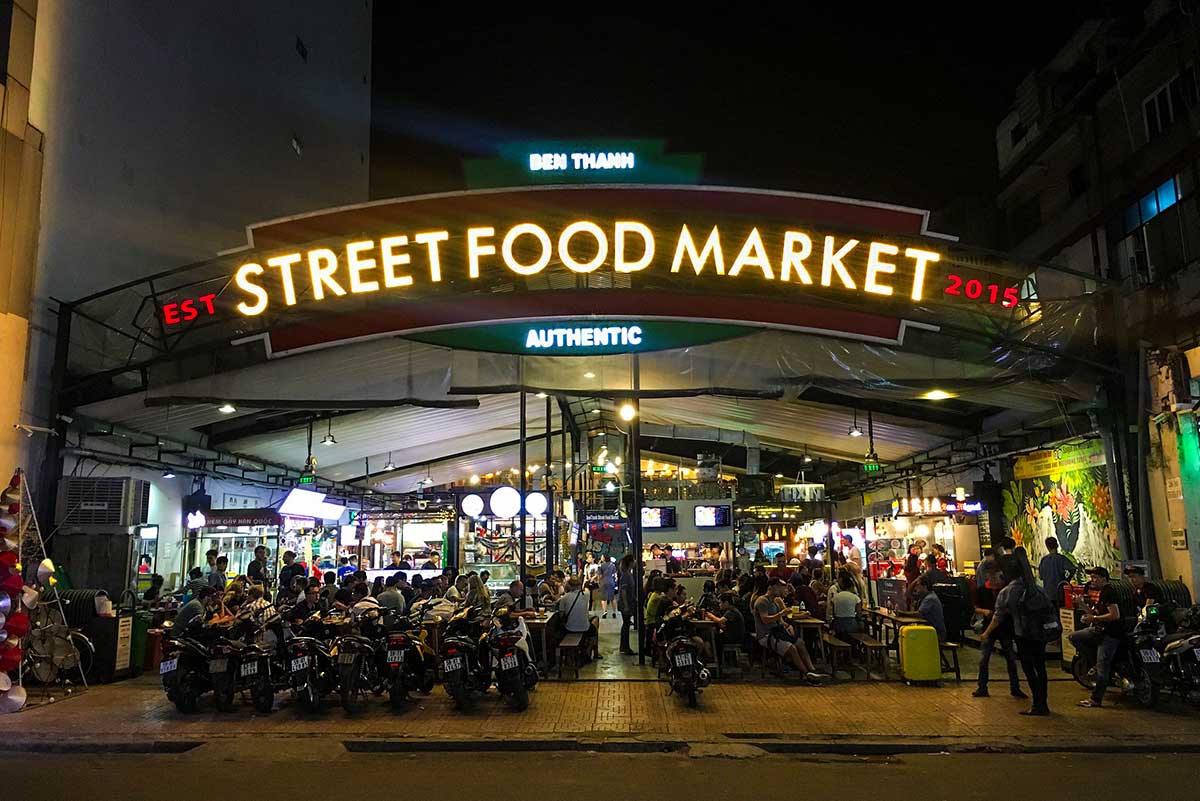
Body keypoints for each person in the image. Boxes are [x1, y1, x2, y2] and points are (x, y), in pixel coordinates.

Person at [981, 554, 1051, 716]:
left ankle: (1037, 704)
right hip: (1040, 634)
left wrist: (986, 632)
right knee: (1041, 668)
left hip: (1022, 634)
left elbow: (998, 617)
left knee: (1029, 668)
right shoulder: (1036, 589)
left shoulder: (1008, 592)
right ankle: (1043, 702)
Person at [1069, 566, 1123, 708]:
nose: (1092, 580)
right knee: (1074, 637)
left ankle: (1096, 699)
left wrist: (1093, 618)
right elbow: (1097, 613)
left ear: (1104, 579)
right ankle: (1093, 660)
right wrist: (1082, 605)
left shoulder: (1108, 592)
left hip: (1110, 633)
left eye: (1095, 577)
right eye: (1091, 577)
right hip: (1099, 630)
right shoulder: (1098, 592)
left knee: (1102, 667)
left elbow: (1114, 615)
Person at [971, 562, 1024, 700]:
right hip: (991, 625)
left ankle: (1015, 687)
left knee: (1010, 658)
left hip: (1003, 627)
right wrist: (984, 611)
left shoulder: (1005, 589)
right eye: (992, 574)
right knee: (984, 658)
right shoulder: (983, 590)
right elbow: (974, 607)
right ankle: (982, 686)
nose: (994, 577)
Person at [753, 579, 822, 683]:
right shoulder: (762, 601)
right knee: (791, 648)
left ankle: (812, 670)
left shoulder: (775, 601)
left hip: (778, 631)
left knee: (800, 643)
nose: (782, 589)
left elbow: (780, 620)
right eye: (779, 587)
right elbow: (765, 619)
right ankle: (807, 675)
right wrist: (781, 613)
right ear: (771, 588)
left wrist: (787, 625)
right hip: (766, 635)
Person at [557, 576, 597, 650]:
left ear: (569, 585)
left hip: (569, 628)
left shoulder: (564, 598)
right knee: (595, 623)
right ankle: (593, 650)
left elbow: (561, 615)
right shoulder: (586, 595)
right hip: (585, 628)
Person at [1037, 537, 1072, 602]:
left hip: (1048, 594)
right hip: (1060, 593)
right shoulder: (1061, 559)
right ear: (1057, 545)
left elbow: (1041, 577)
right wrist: (1067, 580)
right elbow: (1072, 569)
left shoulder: (1044, 560)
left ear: (1047, 547)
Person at [829, 571, 862, 637]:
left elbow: (833, 612)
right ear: (851, 587)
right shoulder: (855, 597)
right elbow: (859, 614)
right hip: (851, 624)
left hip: (837, 623)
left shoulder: (836, 597)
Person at [616, 554, 637, 655]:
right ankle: (625, 647)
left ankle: (624, 646)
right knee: (626, 624)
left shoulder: (628, 573)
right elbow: (623, 591)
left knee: (626, 624)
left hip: (628, 602)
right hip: (626, 604)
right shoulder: (626, 575)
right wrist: (626, 605)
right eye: (634, 560)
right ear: (631, 562)